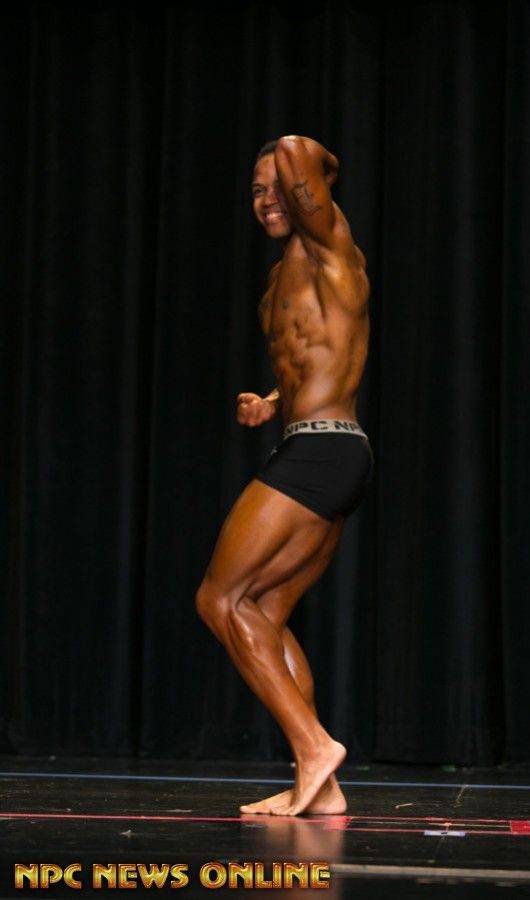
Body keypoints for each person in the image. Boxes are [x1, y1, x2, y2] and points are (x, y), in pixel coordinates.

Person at [195, 135, 371, 816]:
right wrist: (269, 402)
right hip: (320, 448)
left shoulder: (331, 244)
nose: (267, 199)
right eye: (256, 190)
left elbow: (299, 150)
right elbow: (319, 355)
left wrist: (301, 160)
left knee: (218, 600)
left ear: (310, 190)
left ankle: (315, 746)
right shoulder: (281, 281)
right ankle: (319, 785)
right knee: (263, 613)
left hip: (322, 454)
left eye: (279, 186)